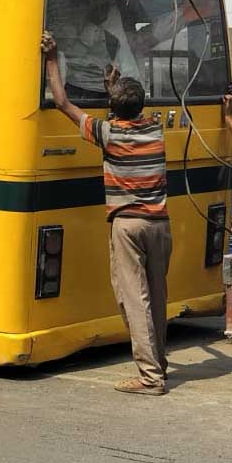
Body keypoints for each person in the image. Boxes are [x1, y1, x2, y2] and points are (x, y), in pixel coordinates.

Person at [41, 31, 171, 397]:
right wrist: (115, 88)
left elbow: (64, 102)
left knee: (134, 299)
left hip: (128, 226)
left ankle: (149, 378)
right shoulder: (156, 131)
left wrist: (52, 58)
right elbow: (127, 111)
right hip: (160, 225)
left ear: (116, 110)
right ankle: (158, 365)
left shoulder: (109, 134)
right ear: (141, 107)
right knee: (157, 297)